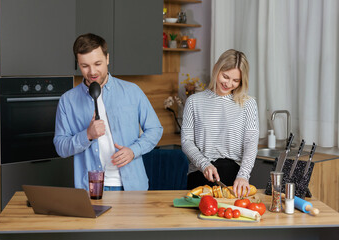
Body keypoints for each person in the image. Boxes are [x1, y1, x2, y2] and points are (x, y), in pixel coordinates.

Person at [54, 33, 163, 191]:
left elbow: (155, 129)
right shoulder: (67, 101)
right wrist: (87, 135)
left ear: (107, 58)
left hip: (132, 188)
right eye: (85, 66)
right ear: (78, 64)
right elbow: (61, 147)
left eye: (97, 63)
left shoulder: (132, 91)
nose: (92, 71)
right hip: (91, 189)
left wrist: (134, 151)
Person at [181, 49, 259, 198]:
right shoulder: (194, 102)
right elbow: (186, 141)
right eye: (225, 76)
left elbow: (251, 142)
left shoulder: (248, 104)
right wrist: (204, 164)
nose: (229, 84)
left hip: (235, 178)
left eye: (236, 81)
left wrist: (243, 175)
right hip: (200, 174)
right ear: (216, 68)